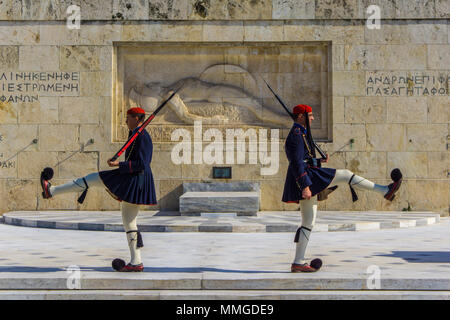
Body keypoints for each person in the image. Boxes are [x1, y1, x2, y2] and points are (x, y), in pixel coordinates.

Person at [282, 104, 402, 273]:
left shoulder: (300, 132)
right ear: (301, 117)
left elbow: (304, 159)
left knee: (308, 223)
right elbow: (296, 163)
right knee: (345, 174)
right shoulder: (296, 135)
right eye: (310, 115)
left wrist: (318, 161)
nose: (313, 118)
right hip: (306, 179)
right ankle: (385, 191)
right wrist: (305, 186)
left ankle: (298, 262)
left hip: (308, 175)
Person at [40, 107, 157, 272]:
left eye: (128, 118)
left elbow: (143, 164)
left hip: (135, 180)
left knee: (92, 179)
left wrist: (119, 165)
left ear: (137, 118)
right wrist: (118, 162)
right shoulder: (135, 134)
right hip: (132, 178)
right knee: (129, 221)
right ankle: (136, 261)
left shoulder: (143, 136)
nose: (125, 121)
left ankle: (51, 191)